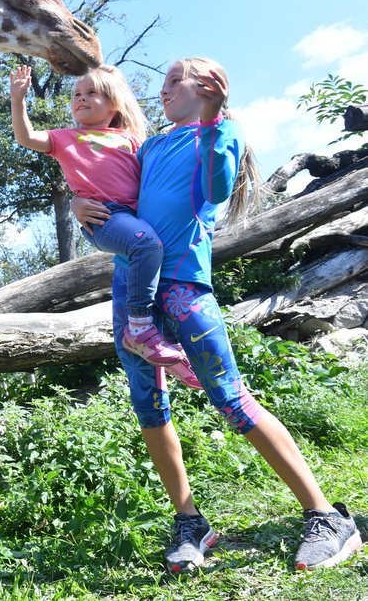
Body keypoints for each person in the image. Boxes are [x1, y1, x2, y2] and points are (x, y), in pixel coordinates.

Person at [72, 57, 363, 572]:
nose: (161, 91)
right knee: (148, 404)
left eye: (172, 82)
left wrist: (213, 121)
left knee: (229, 396)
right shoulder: (151, 144)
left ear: (205, 87)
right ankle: (190, 522)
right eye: (161, 84)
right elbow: (114, 189)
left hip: (184, 286)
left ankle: (327, 517)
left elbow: (216, 188)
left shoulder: (219, 132)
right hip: (133, 291)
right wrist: (80, 205)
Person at [10, 64, 200, 389]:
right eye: (76, 95)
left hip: (135, 218)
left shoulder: (131, 139)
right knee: (146, 245)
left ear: (113, 105)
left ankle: (174, 354)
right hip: (104, 217)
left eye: (91, 93)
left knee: (157, 273)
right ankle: (138, 328)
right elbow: (25, 137)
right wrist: (18, 99)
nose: (81, 99)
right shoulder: (64, 138)